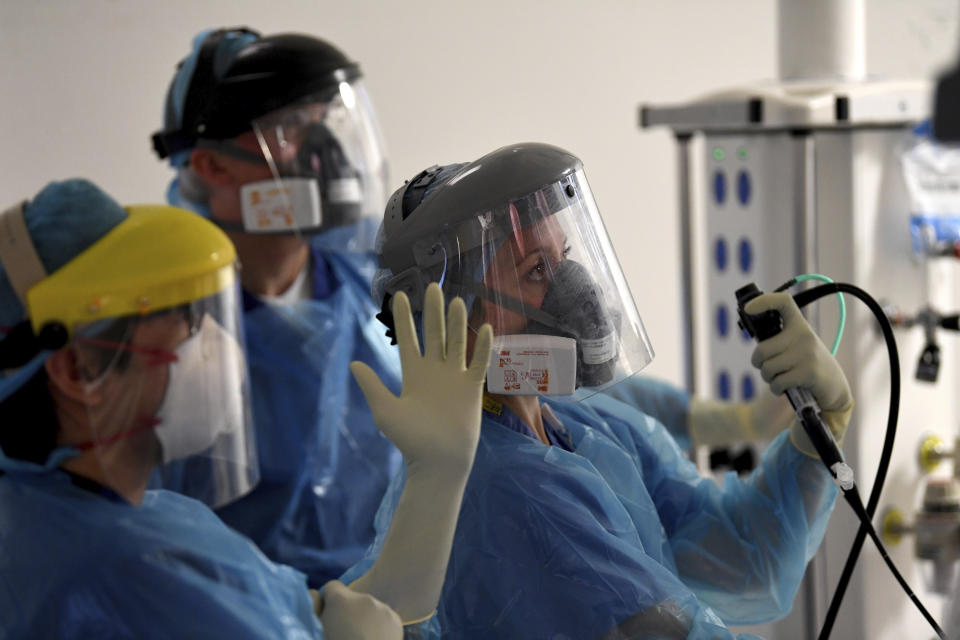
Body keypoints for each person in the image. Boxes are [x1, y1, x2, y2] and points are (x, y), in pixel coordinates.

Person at [346, 143, 855, 638]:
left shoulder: (581, 427)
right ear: (451, 309)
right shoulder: (506, 485)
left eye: (562, 256)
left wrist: (820, 425)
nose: (575, 286)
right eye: (536, 270)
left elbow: (745, 559)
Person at [0, 179, 491, 638]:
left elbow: (311, 618)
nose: (216, 345)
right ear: (79, 371)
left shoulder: (133, 519)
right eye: (184, 320)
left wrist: (436, 477)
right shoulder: (121, 573)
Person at [151, 27, 404, 586]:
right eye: (290, 129)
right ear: (213, 167)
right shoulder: (162, 324)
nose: (326, 155)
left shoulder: (366, 284)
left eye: (321, 123)